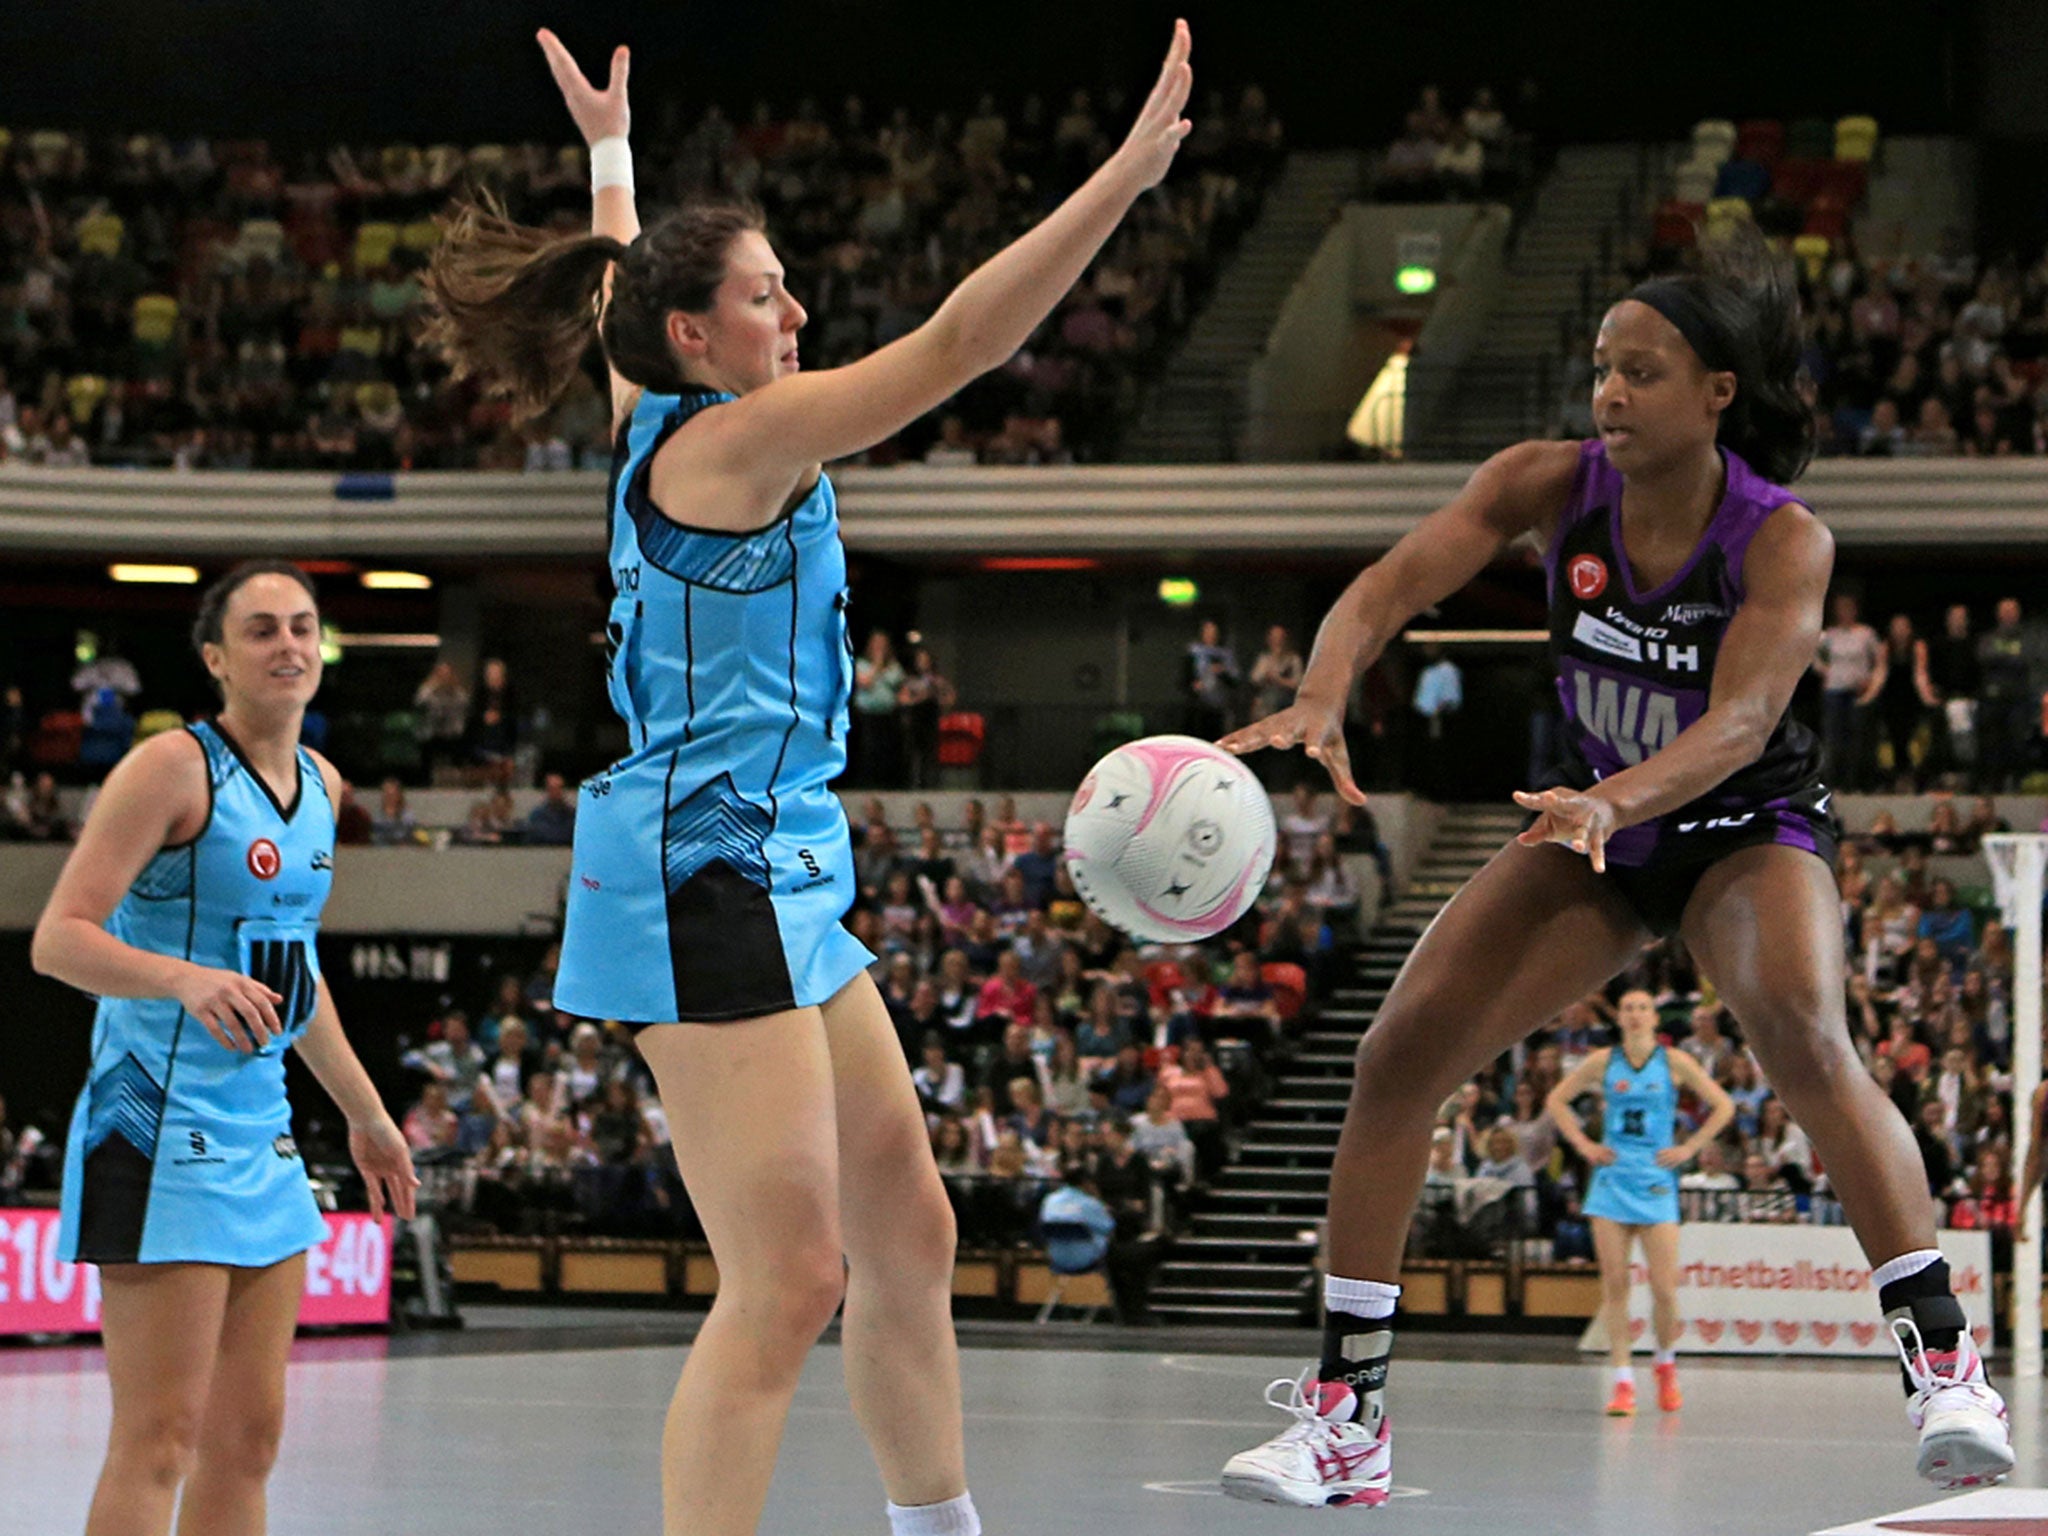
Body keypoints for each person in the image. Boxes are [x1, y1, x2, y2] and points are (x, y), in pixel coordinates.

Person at [420, 25, 1193, 1536]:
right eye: (770, 296)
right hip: (697, 866)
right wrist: (1122, 181)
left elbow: (622, 280)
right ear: (706, 340)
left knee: (911, 1229)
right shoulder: (738, 439)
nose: (798, 312)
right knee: (788, 1285)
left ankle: (940, 1528)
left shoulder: (662, 401)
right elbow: (962, 347)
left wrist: (609, 154)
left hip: (785, 856)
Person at [1216, 227, 2012, 1508]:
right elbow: (1385, 584)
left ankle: (1944, 1366)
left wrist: (1610, 800)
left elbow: (1742, 722)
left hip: (1739, 824)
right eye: (1600, 368)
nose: (1608, 395)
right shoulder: (1546, 484)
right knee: (1393, 1059)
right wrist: (1321, 688)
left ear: (1717, 395)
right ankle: (1343, 1420)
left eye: (1640, 373)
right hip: (1593, 829)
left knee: (1803, 1037)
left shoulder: (1780, 540)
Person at [30, 562, 417, 1536]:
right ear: (216, 658)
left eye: (302, 627)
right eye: (261, 631)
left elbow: (297, 973)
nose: (288, 645)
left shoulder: (324, 786)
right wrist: (182, 976)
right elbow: (59, 938)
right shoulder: (170, 768)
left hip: (261, 1132)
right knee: (159, 1438)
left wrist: (366, 1114)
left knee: (248, 1444)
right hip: (154, 1124)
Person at [1546, 989, 1733, 1415]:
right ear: (1621, 1017)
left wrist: (1690, 1148)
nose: (1634, 1015)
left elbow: (1723, 1106)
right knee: (1615, 1286)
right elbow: (1556, 1100)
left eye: (1642, 1008)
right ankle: (1623, 1379)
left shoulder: (1673, 1062)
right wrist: (1582, 1143)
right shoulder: (1604, 1061)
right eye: (1627, 1008)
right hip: (1612, 1178)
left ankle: (1665, 1365)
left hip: (1656, 1179)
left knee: (1665, 1289)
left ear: (1654, 1018)